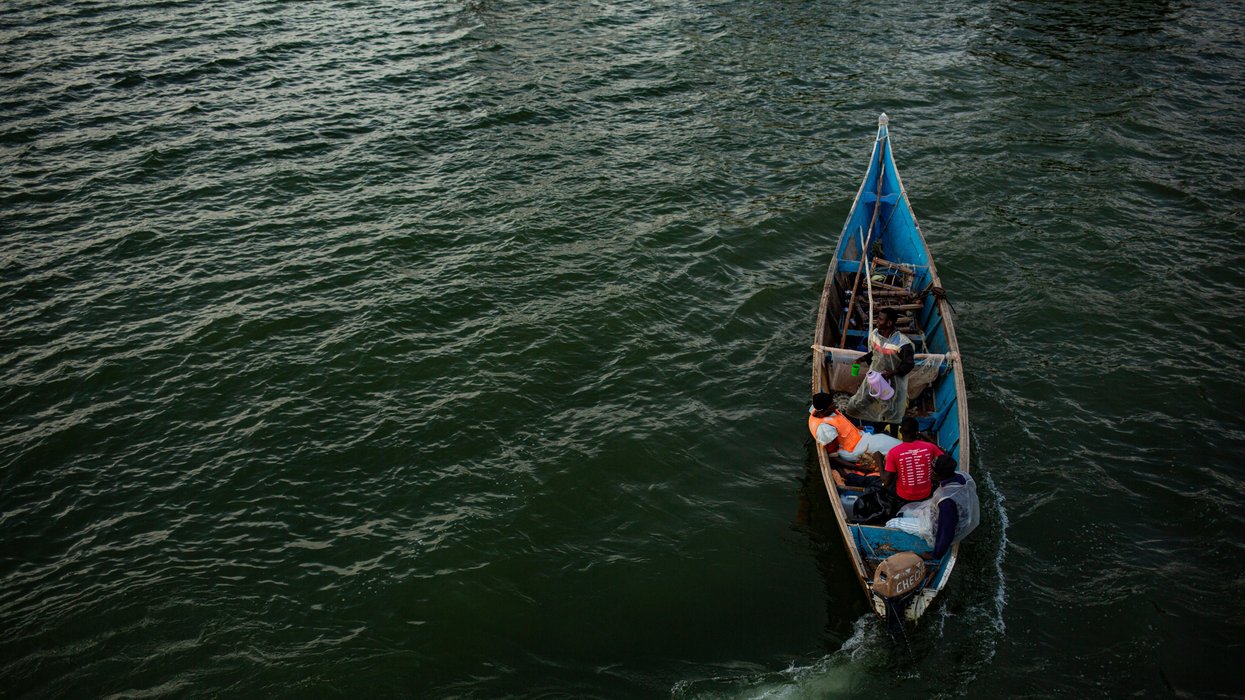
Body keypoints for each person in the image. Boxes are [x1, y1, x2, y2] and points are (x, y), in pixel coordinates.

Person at [844, 308, 915, 433]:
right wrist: (862, 359)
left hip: (893, 383)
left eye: (880, 319)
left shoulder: (903, 344)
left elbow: (909, 364)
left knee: (892, 410)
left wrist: (892, 373)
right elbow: (875, 353)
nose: (877, 321)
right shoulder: (875, 334)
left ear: (889, 323)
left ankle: (892, 435)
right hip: (875, 378)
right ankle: (849, 426)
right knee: (858, 401)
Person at [921, 454, 980, 561]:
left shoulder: (945, 500)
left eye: (933, 472)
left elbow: (946, 530)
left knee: (894, 522)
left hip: (954, 530)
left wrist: (936, 554)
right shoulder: (964, 476)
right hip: (966, 516)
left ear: (939, 475)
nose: (930, 473)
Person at [882, 416, 943, 507]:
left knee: (891, 475)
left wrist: (878, 460)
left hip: (903, 496)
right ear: (917, 432)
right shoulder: (930, 447)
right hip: (926, 493)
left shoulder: (893, 452)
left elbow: (886, 482)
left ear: (900, 431)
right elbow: (944, 458)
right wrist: (926, 438)